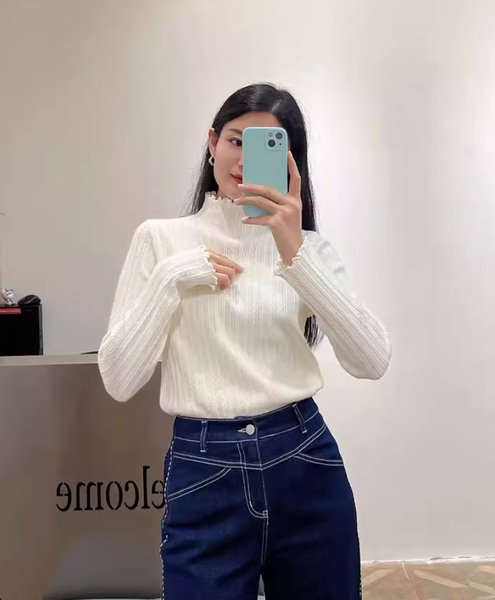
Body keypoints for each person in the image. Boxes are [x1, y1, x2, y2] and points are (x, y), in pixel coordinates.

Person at [98, 82, 391, 600]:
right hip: (203, 466)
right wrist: (172, 278)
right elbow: (119, 380)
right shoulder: (160, 241)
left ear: (289, 162)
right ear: (212, 142)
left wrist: (295, 253)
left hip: (304, 457)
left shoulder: (310, 250)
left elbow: (372, 360)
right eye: (236, 140)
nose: (242, 160)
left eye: (266, 146)